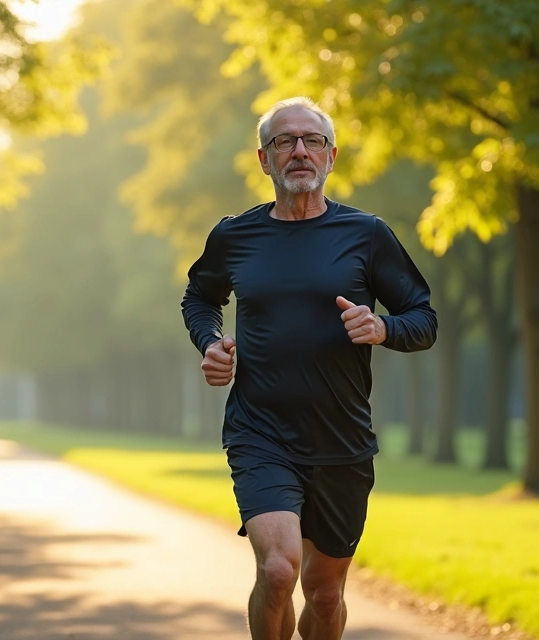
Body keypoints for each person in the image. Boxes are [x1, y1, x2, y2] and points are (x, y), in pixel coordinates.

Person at [180, 96, 438, 640]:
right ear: (264, 159)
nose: (299, 151)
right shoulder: (234, 236)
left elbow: (424, 318)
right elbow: (199, 298)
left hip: (342, 439)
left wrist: (383, 327)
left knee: (324, 595)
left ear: (331, 155)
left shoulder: (366, 234)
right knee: (278, 571)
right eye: (284, 141)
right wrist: (211, 342)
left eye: (312, 140)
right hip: (261, 432)